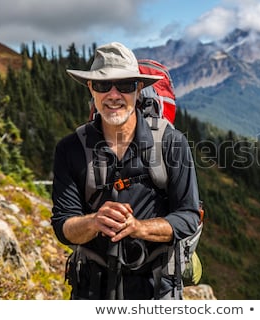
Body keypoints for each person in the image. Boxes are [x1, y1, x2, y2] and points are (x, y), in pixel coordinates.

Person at [51, 42, 201, 300]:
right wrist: (94, 221)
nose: (113, 95)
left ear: (138, 89)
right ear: (91, 88)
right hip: (91, 289)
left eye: (124, 85)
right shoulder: (69, 149)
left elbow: (189, 216)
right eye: (102, 85)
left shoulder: (171, 143)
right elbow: (63, 225)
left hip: (155, 289)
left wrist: (138, 227)